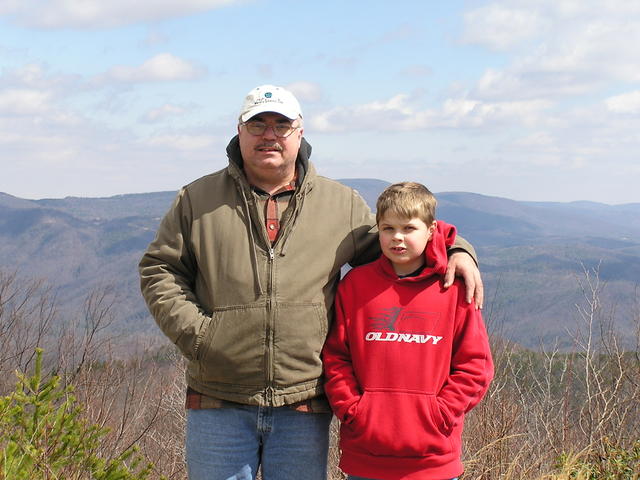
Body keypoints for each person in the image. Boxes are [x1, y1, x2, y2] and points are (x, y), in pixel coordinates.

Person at [138, 85, 483, 480]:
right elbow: (159, 269)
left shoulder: (339, 204)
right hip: (219, 397)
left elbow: (401, 242)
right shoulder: (198, 199)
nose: (269, 134)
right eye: (258, 124)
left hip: (303, 401)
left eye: (281, 125)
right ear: (239, 131)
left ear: (299, 133)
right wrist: (201, 336)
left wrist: (458, 249)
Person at [322, 182, 494, 480]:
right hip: (366, 455)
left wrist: (439, 414)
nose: (397, 237)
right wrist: (353, 411)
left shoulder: (452, 289)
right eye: (388, 228)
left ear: (431, 231)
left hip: (432, 459)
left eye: (409, 228)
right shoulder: (356, 285)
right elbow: (337, 357)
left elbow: (475, 365)